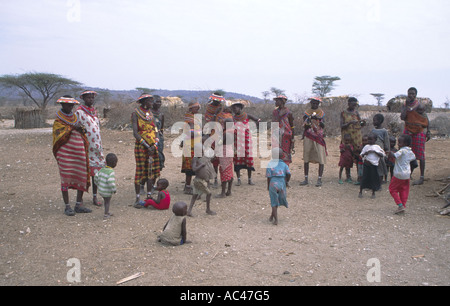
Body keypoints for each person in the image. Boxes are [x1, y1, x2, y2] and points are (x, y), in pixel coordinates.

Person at [52, 96, 92, 216]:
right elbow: (58, 134)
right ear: (62, 105)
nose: (70, 107)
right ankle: (67, 206)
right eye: (68, 105)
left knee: (81, 175)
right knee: (66, 177)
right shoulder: (58, 120)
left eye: (72, 105)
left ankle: (79, 204)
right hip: (65, 153)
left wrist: (80, 129)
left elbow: (81, 129)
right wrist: (72, 128)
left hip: (78, 152)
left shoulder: (74, 117)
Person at [76, 90, 105, 207]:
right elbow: (77, 128)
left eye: (92, 98)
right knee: (84, 173)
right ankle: (80, 198)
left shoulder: (94, 112)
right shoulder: (79, 112)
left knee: (96, 174)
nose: (91, 100)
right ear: (83, 99)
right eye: (88, 98)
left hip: (97, 147)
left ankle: (94, 196)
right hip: (86, 147)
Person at [131, 94, 161, 206]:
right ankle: (138, 198)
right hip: (141, 146)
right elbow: (135, 133)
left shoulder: (151, 114)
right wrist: (147, 146)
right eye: (149, 101)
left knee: (151, 171)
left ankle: (149, 196)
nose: (152, 103)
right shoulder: (136, 113)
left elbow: (156, 130)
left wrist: (155, 144)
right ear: (144, 102)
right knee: (140, 171)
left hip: (153, 147)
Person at [400, 87, 431, 185]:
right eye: (409, 93)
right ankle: (407, 174)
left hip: (418, 132)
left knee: (420, 154)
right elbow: (402, 117)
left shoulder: (419, 105)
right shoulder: (405, 105)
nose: (411, 95)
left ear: (416, 95)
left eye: (413, 94)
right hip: (408, 131)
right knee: (406, 153)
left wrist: (428, 131)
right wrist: (406, 106)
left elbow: (425, 119)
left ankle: (421, 177)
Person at [231, 101, 261, 186]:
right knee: (237, 160)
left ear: (240, 107)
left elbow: (256, 119)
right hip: (237, 141)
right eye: (233, 108)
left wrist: (257, 122)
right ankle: (239, 180)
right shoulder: (233, 118)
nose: (234, 110)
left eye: (235, 108)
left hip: (247, 140)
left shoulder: (247, 115)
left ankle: (249, 179)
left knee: (249, 159)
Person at [301, 97, 327, 187]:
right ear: (311, 103)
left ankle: (319, 179)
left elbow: (323, 125)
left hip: (318, 136)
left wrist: (318, 120)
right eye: (313, 103)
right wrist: (309, 120)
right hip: (309, 136)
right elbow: (304, 126)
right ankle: (306, 178)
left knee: (321, 157)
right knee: (306, 156)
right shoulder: (307, 112)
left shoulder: (321, 113)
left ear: (318, 104)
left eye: (316, 103)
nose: (315, 105)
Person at [388, 134, 416, 214]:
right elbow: (413, 157)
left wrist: (390, 152)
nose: (398, 144)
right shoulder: (410, 151)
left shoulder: (402, 150)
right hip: (407, 175)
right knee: (404, 190)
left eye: (399, 143)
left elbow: (394, 155)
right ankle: (403, 205)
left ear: (404, 144)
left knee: (392, 189)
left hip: (398, 174)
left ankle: (400, 205)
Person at [187, 143, 217, 217]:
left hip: (203, 180)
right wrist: (201, 165)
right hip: (198, 180)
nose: (202, 152)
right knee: (208, 193)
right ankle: (207, 209)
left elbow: (212, 158)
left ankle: (189, 211)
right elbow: (194, 169)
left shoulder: (204, 157)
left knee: (195, 195)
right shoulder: (195, 159)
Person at [205, 93, 226, 187]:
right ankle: (211, 178)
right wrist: (215, 114)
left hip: (221, 134)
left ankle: (218, 179)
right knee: (210, 158)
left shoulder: (221, 108)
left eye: (219, 101)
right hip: (211, 134)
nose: (217, 102)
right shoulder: (209, 109)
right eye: (216, 101)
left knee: (219, 158)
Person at [181, 101, 202, 194]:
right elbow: (191, 133)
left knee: (194, 165)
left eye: (198, 107)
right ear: (190, 108)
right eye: (196, 107)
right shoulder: (189, 117)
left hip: (194, 143)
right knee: (190, 167)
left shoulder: (195, 117)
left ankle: (188, 186)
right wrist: (202, 134)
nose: (198, 109)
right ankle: (188, 187)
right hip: (191, 144)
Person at [266, 148, 291, 225]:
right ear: (282, 156)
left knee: (274, 201)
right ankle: (272, 216)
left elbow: (268, 177)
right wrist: (286, 182)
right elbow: (289, 174)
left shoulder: (270, 164)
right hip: (282, 183)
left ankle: (276, 220)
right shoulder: (284, 165)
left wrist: (268, 186)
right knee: (278, 199)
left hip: (273, 183)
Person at [359, 133, 385, 199]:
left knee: (373, 179)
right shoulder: (366, 147)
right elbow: (361, 155)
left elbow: (382, 155)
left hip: (374, 166)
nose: (369, 141)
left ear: (375, 140)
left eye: (371, 139)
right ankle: (360, 192)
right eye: (368, 139)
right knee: (364, 178)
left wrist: (375, 152)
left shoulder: (377, 147)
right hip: (366, 165)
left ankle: (373, 193)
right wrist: (366, 153)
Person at [272, 95, 295, 166]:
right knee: (276, 153)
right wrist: (279, 115)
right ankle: (277, 170)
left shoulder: (289, 113)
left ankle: (285, 170)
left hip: (286, 136)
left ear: (282, 101)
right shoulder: (275, 112)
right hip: (277, 136)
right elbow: (274, 123)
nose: (275, 102)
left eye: (277, 101)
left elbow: (292, 126)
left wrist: (293, 138)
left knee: (286, 153)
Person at [94, 153, 118, 219]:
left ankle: (107, 212)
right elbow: (111, 182)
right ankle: (106, 213)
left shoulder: (102, 169)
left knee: (105, 201)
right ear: (114, 163)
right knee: (107, 202)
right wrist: (114, 190)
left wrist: (98, 184)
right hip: (107, 191)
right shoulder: (111, 172)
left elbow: (96, 176)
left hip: (101, 190)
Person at [215, 118, 234, 198]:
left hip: (224, 153)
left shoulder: (225, 134)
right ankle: (229, 190)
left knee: (224, 171)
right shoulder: (233, 132)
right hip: (230, 151)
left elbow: (220, 143)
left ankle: (223, 193)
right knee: (229, 171)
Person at [371, 114, 390, 184]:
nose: (373, 122)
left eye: (375, 120)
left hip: (380, 151)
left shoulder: (384, 131)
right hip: (373, 150)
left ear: (380, 121)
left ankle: (380, 181)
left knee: (381, 166)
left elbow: (386, 142)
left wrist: (387, 152)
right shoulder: (373, 130)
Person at [151, 95, 165, 169]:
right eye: (157, 102)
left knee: (159, 153)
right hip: (151, 136)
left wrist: (161, 137)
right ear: (152, 102)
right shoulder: (149, 114)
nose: (159, 104)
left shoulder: (161, 114)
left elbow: (161, 128)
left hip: (159, 137)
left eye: (160, 102)